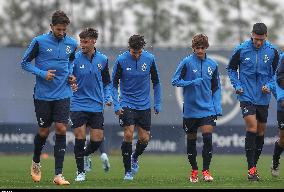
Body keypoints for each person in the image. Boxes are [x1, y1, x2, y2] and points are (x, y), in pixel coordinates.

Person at [21, 10, 78, 185]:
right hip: (43, 95)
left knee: (61, 128)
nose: (61, 33)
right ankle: (36, 161)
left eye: (64, 30)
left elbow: (71, 61)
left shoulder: (72, 43)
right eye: (58, 29)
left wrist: (70, 75)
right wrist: (41, 73)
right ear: (51, 26)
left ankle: (58, 175)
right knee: (44, 131)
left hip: (63, 93)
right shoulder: (39, 42)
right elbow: (24, 63)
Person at [227, 23, 279, 181]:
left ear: (266, 37)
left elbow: (277, 73)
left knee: (261, 133)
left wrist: (269, 85)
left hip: (263, 98)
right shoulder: (241, 49)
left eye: (261, 40)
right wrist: (237, 85)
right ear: (252, 35)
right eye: (256, 39)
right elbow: (230, 69)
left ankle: (253, 166)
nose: (258, 42)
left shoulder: (272, 51)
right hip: (246, 96)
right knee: (252, 127)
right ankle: (251, 170)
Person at [171, 34, 222, 183]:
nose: (199, 50)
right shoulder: (186, 62)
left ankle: (206, 171)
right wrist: (191, 82)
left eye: (202, 48)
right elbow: (175, 81)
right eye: (197, 48)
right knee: (191, 140)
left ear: (206, 48)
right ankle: (194, 170)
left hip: (207, 109)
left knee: (207, 137)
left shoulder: (213, 65)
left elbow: (216, 87)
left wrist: (217, 107)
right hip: (190, 110)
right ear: (193, 48)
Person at [111, 34, 162, 180]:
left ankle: (134, 156)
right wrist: (116, 104)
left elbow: (156, 82)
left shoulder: (150, 59)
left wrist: (157, 102)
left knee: (144, 138)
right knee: (128, 134)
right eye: (134, 52)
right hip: (127, 102)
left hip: (144, 105)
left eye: (139, 52)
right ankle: (127, 171)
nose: (137, 55)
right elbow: (114, 84)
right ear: (129, 49)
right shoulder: (121, 60)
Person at [70, 28, 112, 182]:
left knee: (97, 140)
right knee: (79, 137)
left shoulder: (103, 59)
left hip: (96, 105)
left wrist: (108, 97)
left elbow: (107, 82)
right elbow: (67, 76)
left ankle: (86, 154)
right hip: (78, 104)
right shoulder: (74, 58)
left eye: (85, 41)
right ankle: (80, 171)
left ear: (94, 41)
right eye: (81, 41)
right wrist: (71, 81)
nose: (82, 44)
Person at [271, 53, 284, 177]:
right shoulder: (282, 58)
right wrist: (282, 98)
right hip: (283, 105)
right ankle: (275, 161)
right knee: (283, 138)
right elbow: (278, 78)